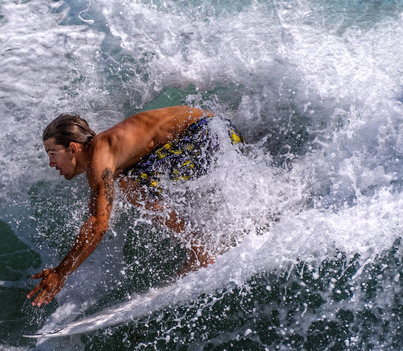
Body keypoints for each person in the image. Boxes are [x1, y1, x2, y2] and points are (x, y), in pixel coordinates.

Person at [27, 105, 244, 306]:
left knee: (132, 187)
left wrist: (61, 273)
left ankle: (201, 254)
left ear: (73, 149)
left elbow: (98, 226)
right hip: (221, 132)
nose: (51, 163)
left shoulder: (100, 160)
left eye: (53, 154)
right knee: (133, 182)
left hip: (209, 135)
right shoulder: (108, 154)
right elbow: (94, 218)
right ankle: (206, 245)